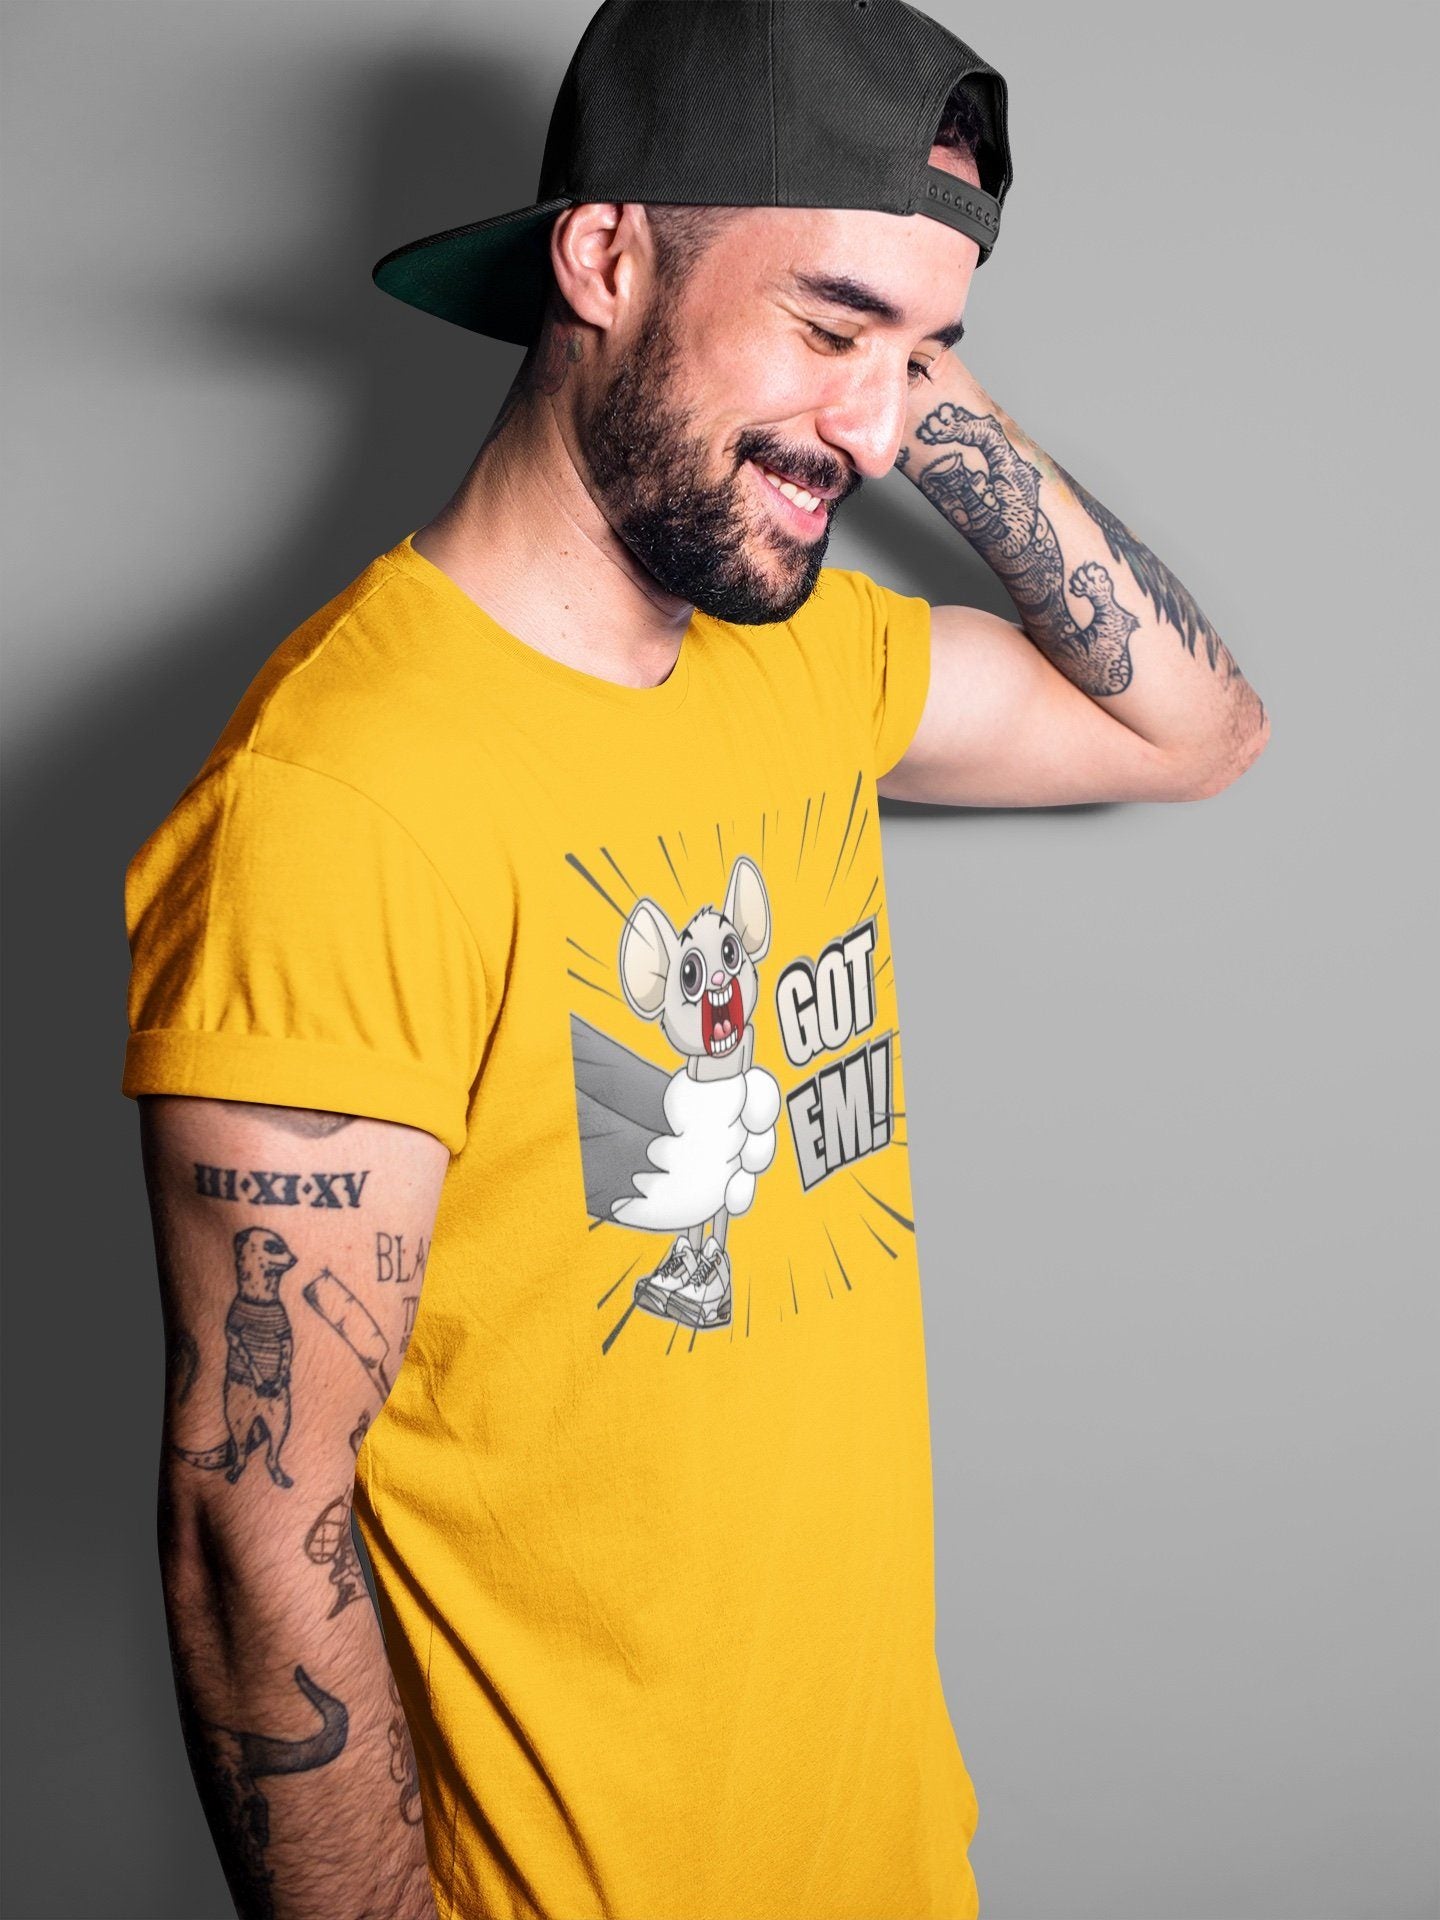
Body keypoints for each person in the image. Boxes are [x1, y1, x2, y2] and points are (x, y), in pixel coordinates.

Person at [122, 1, 1269, 1915]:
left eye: (926, 355)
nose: (877, 432)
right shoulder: (341, 801)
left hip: (885, 1863)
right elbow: (256, 1531)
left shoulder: (801, 661)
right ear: (602, 258)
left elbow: (1200, 732)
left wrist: (893, 365)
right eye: (826, 325)